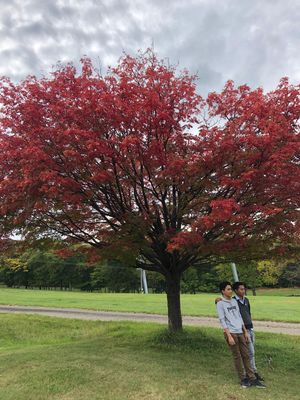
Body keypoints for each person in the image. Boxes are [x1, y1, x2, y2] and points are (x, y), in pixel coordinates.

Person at [216, 281, 266, 388]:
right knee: (237, 356)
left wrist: (245, 331)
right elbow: (222, 320)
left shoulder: (234, 302)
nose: (230, 291)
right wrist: (229, 336)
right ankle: (243, 379)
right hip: (231, 333)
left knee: (246, 355)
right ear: (223, 291)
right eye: (228, 289)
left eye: (230, 289)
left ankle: (252, 378)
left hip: (241, 331)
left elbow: (239, 316)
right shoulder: (220, 304)